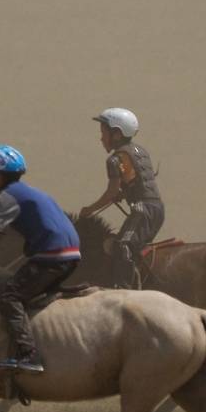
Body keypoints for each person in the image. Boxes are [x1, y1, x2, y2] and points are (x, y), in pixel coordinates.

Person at [0, 145, 81, 374]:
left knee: (7, 295)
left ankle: (29, 354)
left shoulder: (7, 197)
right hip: (71, 255)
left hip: (52, 257)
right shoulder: (36, 192)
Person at [78, 107, 163, 288]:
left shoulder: (115, 160)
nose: (101, 138)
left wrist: (89, 210)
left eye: (103, 133)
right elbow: (139, 181)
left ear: (116, 134)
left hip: (142, 210)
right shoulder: (141, 151)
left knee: (123, 245)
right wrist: (123, 194)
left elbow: (110, 192)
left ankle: (123, 290)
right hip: (156, 209)